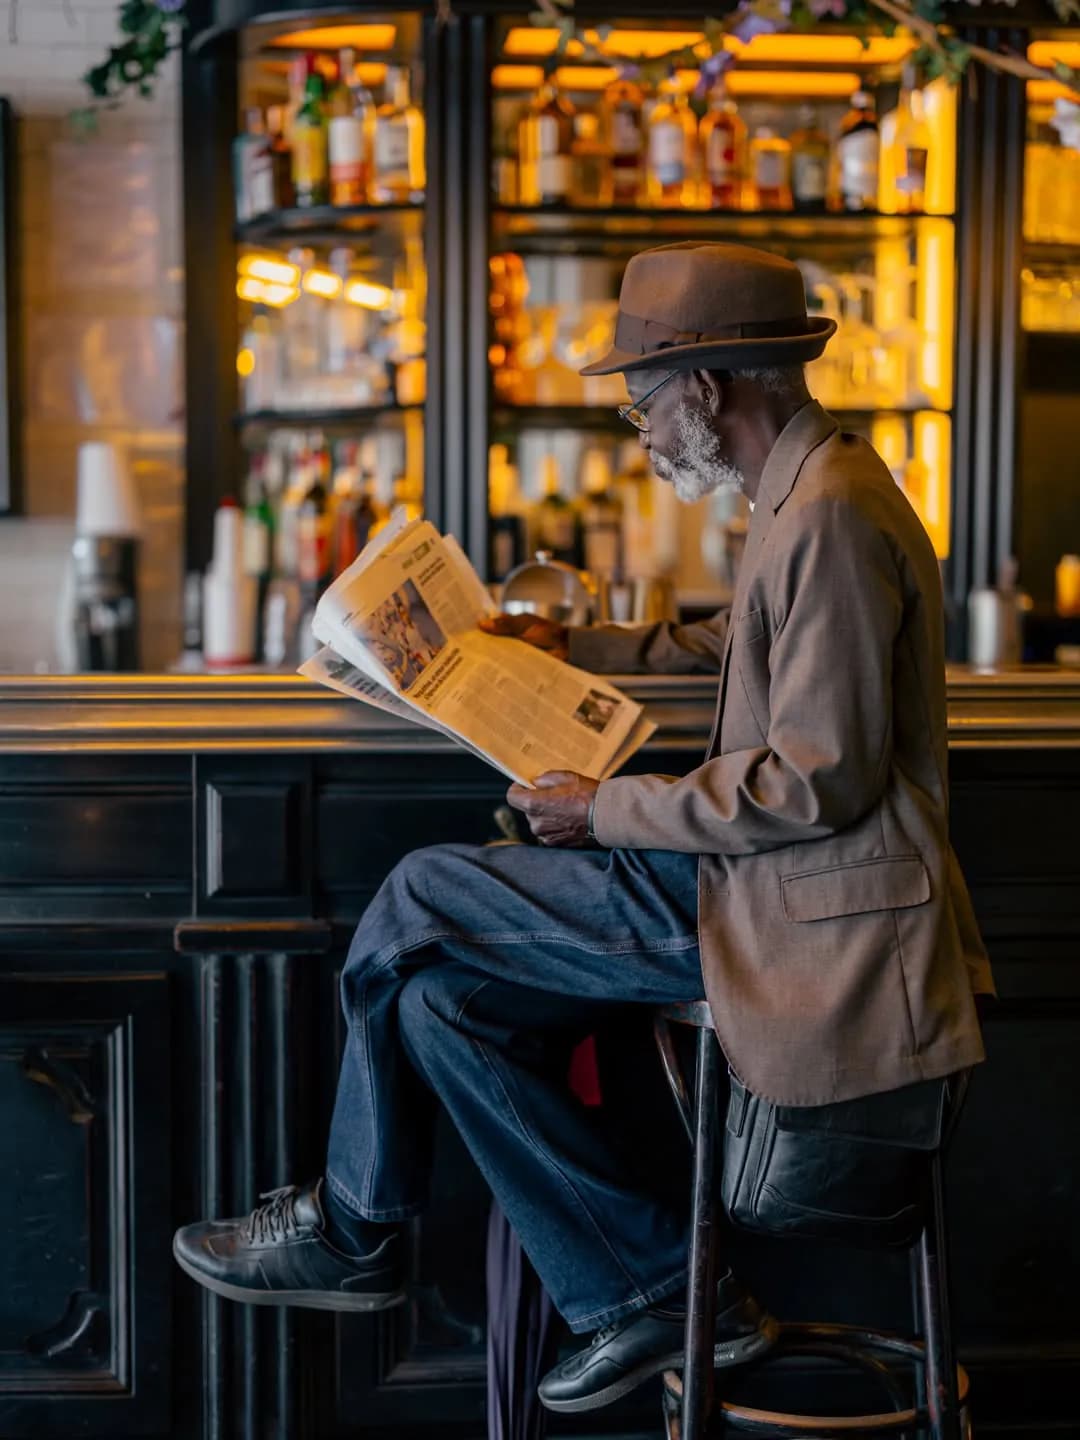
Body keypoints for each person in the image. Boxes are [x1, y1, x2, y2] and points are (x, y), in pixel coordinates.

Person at [173, 243, 993, 1413]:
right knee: (437, 1004)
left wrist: (600, 808)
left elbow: (819, 781)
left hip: (800, 917)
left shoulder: (827, 517)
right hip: (763, 891)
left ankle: (353, 1227)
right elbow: (738, 645)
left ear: (704, 386)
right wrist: (577, 645)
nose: (640, 431)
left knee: (420, 890)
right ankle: (649, 1288)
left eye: (642, 403)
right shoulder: (814, 488)